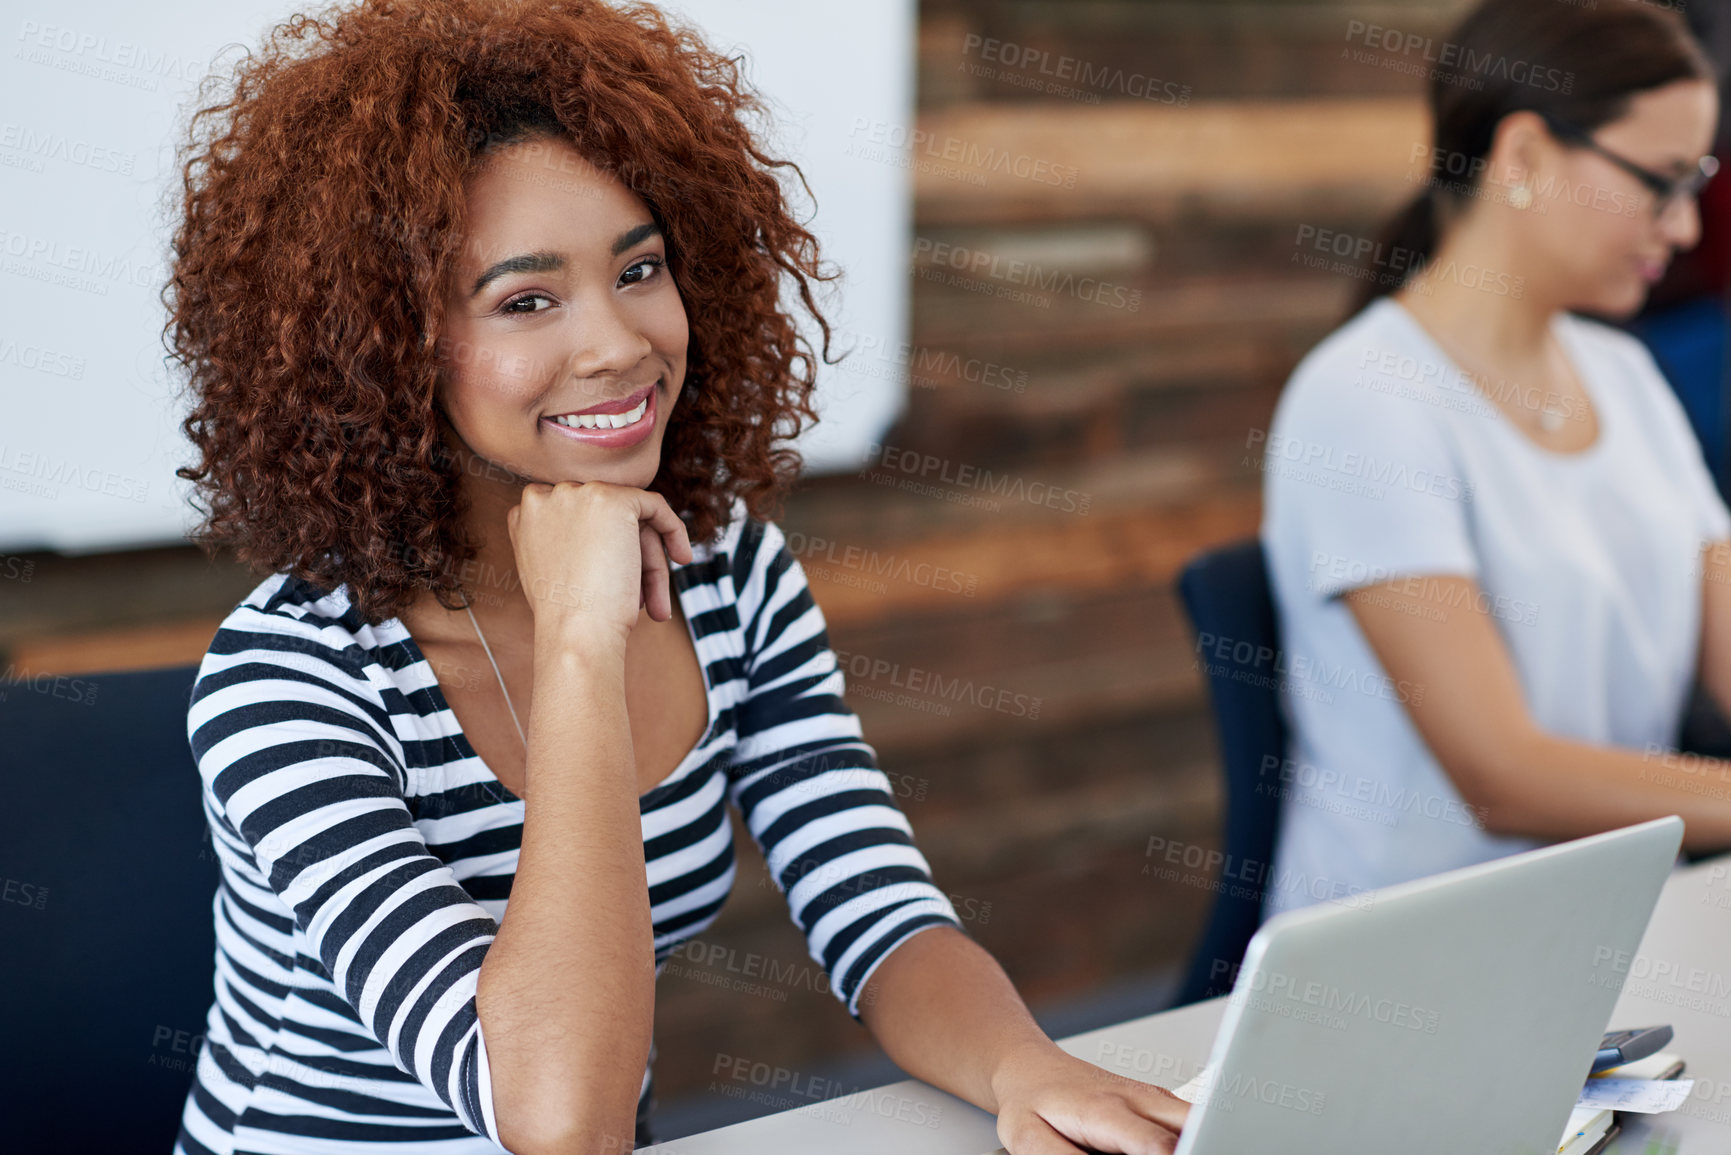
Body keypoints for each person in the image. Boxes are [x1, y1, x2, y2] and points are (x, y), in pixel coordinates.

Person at [163, 1, 1189, 1152]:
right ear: (385, 346)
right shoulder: (289, 684)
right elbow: (554, 1121)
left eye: (639, 268)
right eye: (527, 299)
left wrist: (1023, 1069)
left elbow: (875, 907)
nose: (617, 343)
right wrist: (580, 642)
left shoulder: (727, 571)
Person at [1261, 0, 1731, 920]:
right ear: (1521, 157)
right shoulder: (1366, 397)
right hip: (1411, 965)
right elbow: (1502, 775)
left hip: (1607, 928)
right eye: (1661, 183)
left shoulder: (1623, 374)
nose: (1682, 231)